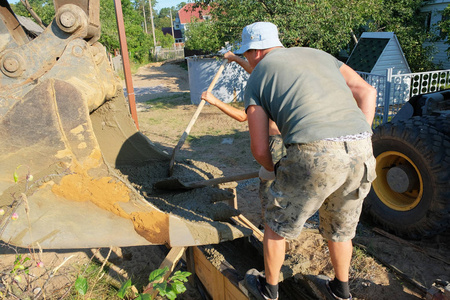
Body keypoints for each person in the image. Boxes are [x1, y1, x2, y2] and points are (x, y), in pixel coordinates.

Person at [233, 22, 377, 300]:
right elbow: (367, 92)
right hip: (361, 150)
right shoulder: (320, 55)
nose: (248, 58)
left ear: (256, 51)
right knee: (340, 228)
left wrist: (275, 170)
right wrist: (360, 137)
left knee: (277, 223)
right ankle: (340, 290)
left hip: (314, 151)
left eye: (247, 53)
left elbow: (260, 146)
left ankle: (269, 290)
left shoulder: (258, 74)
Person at [201, 51, 286, 224]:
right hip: (289, 139)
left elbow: (242, 116)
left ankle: (270, 225)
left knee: (269, 187)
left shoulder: (260, 88)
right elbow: (254, 70)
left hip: (276, 144)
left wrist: (215, 101)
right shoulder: (278, 78)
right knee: (286, 181)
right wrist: (234, 58)